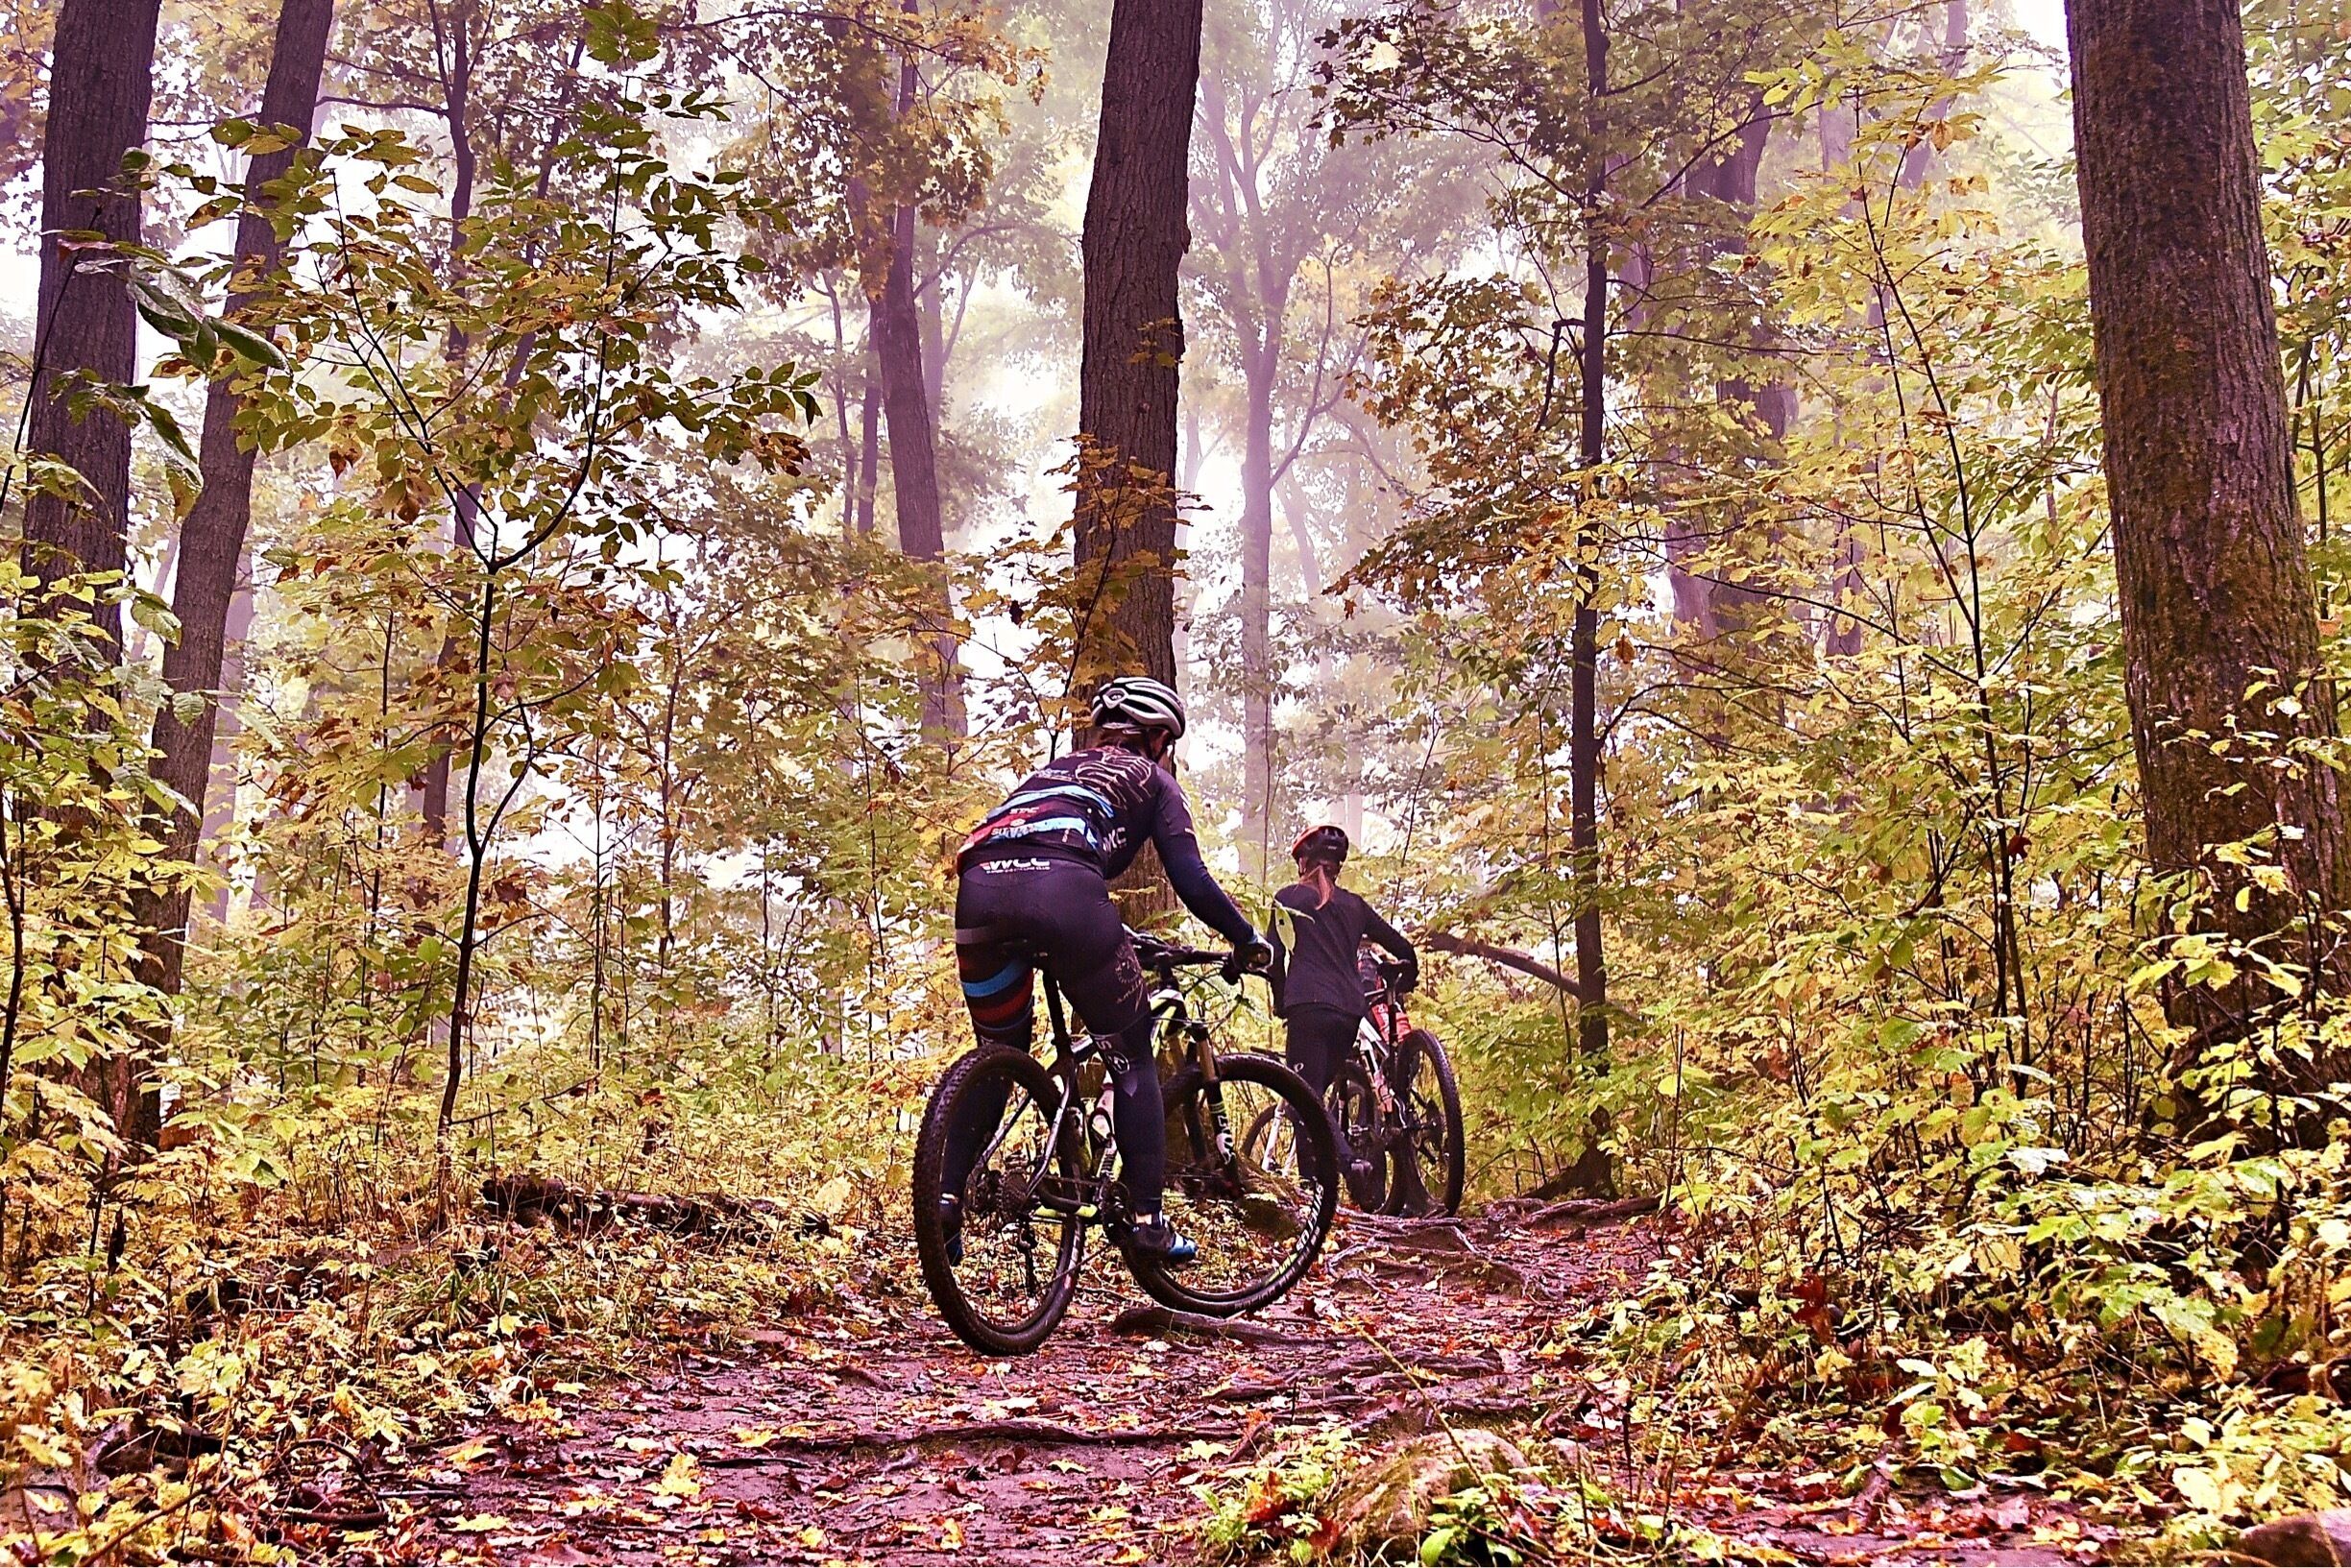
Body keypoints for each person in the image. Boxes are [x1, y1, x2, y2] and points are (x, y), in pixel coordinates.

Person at [944, 675, 1272, 1265]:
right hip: (1065, 894)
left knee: (997, 1060)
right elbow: (1191, 880)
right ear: (1158, 739)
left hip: (978, 891)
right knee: (1132, 1055)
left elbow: (1024, 851)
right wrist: (1246, 938)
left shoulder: (1051, 774)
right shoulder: (1154, 779)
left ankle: (941, 1202)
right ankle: (1148, 1222)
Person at [1270, 824, 1418, 1192]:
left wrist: (1281, 999)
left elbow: (1272, 959)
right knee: (1311, 1098)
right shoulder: (1355, 906)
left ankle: (1349, 1165)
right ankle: (1315, 1189)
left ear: (1303, 862)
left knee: (1303, 1096)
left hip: (1307, 1007)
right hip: (1349, 1014)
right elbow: (1403, 948)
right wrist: (1406, 977)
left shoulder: (1287, 899)